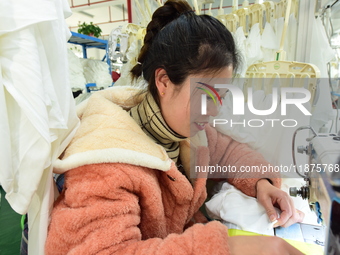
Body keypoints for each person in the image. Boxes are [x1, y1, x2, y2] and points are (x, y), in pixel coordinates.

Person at [45, 0, 305, 254]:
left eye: (221, 98)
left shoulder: (188, 132)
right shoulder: (105, 160)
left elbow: (229, 152)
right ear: (164, 81)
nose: (213, 111)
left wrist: (261, 183)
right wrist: (226, 247)